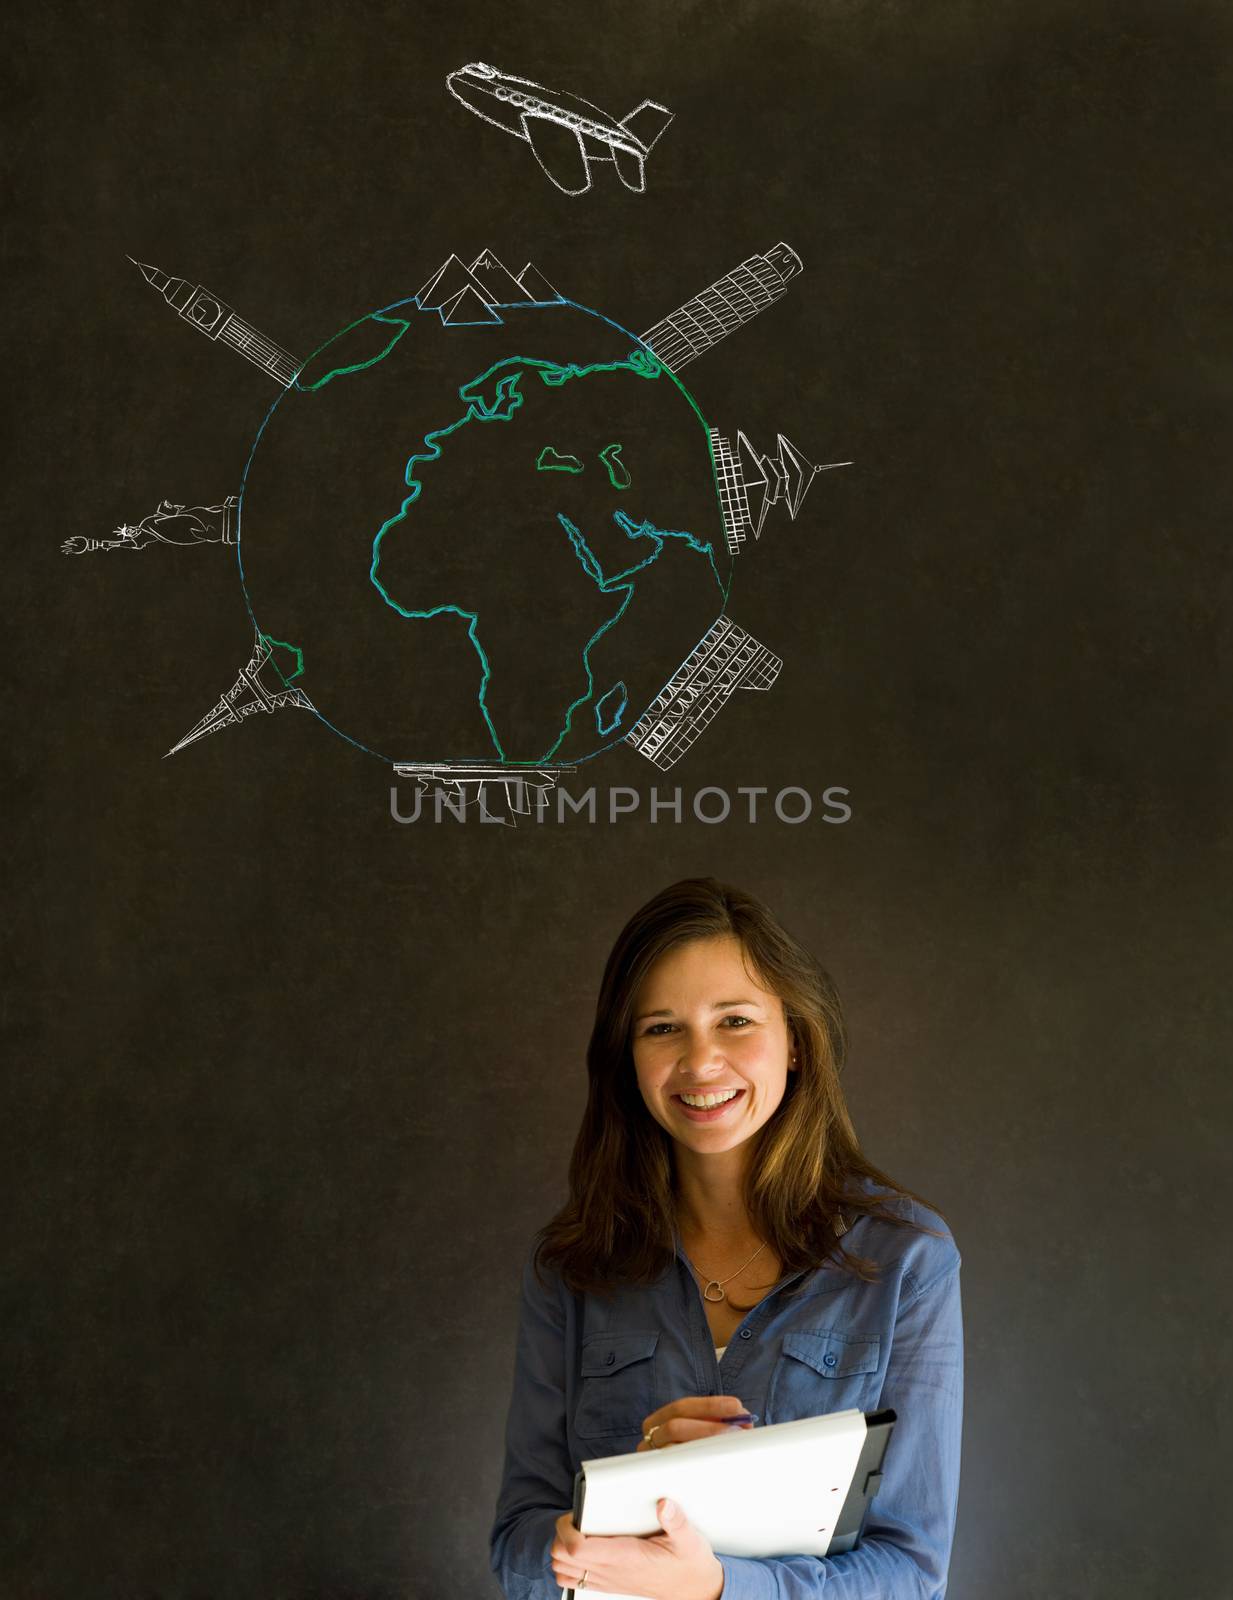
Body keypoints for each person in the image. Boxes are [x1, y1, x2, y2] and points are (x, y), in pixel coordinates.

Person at [489, 877, 963, 1599]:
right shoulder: (572, 1267)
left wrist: (716, 1587)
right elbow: (518, 1547)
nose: (700, 1061)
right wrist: (608, 1514)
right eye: (661, 1028)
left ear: (795, 1041)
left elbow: (912, 1571)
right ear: (628, 1060)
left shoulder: (906, 1259)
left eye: (735, 1020)